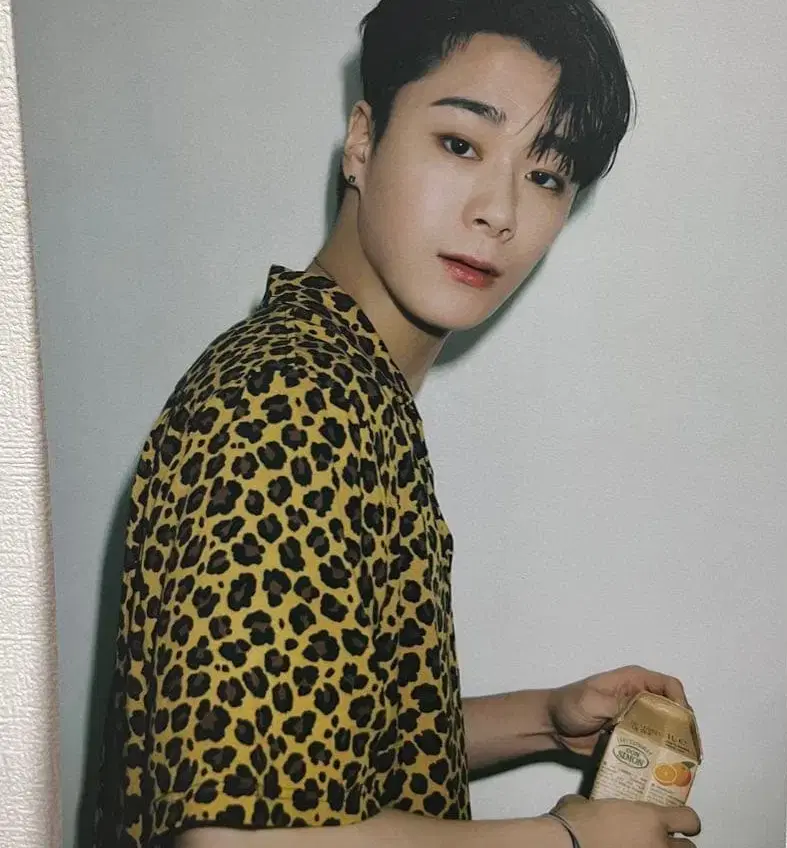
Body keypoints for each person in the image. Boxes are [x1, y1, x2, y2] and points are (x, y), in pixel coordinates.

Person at [94, 1, 703, 846]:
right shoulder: (290, 402)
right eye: (460, 143)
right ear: (362, 141)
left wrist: (545, 718)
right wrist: (568, 840)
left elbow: (313, 748)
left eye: (546, 175)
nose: (500, 210)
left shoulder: (347, 386)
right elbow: (239, 841)